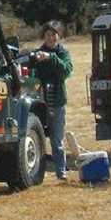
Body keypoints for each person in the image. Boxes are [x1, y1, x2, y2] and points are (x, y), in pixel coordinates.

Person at [30, 22, 73, 180]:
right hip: (38, 102)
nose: (50, 37)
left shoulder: (63, 53)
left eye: (54, 34)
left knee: (57, 139)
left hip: (56, 101)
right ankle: (35, 171)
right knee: (35, 136)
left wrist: (51, 58)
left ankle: (60, 171)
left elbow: (66, 71)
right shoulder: (37, 53)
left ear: (58, 36)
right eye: (48, 34)